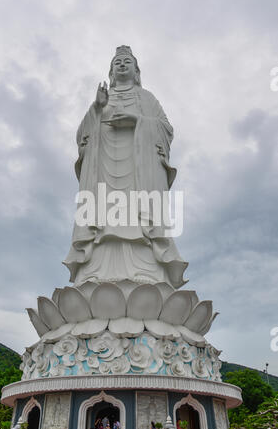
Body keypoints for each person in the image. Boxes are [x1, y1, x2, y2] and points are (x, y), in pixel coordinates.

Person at [64, 45, 188, 289]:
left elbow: (167, 130)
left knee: (139, 218)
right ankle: (94, 275)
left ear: (136, 69)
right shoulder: (102, 100)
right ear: (111, 71)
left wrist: (137, 121)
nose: (121, 65)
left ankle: (148, 275)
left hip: (139, 174)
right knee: (102, 219)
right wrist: (96, 108)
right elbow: (83, 137)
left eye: (126, 62)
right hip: (103, 175)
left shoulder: (147, 99)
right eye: (117, 62)